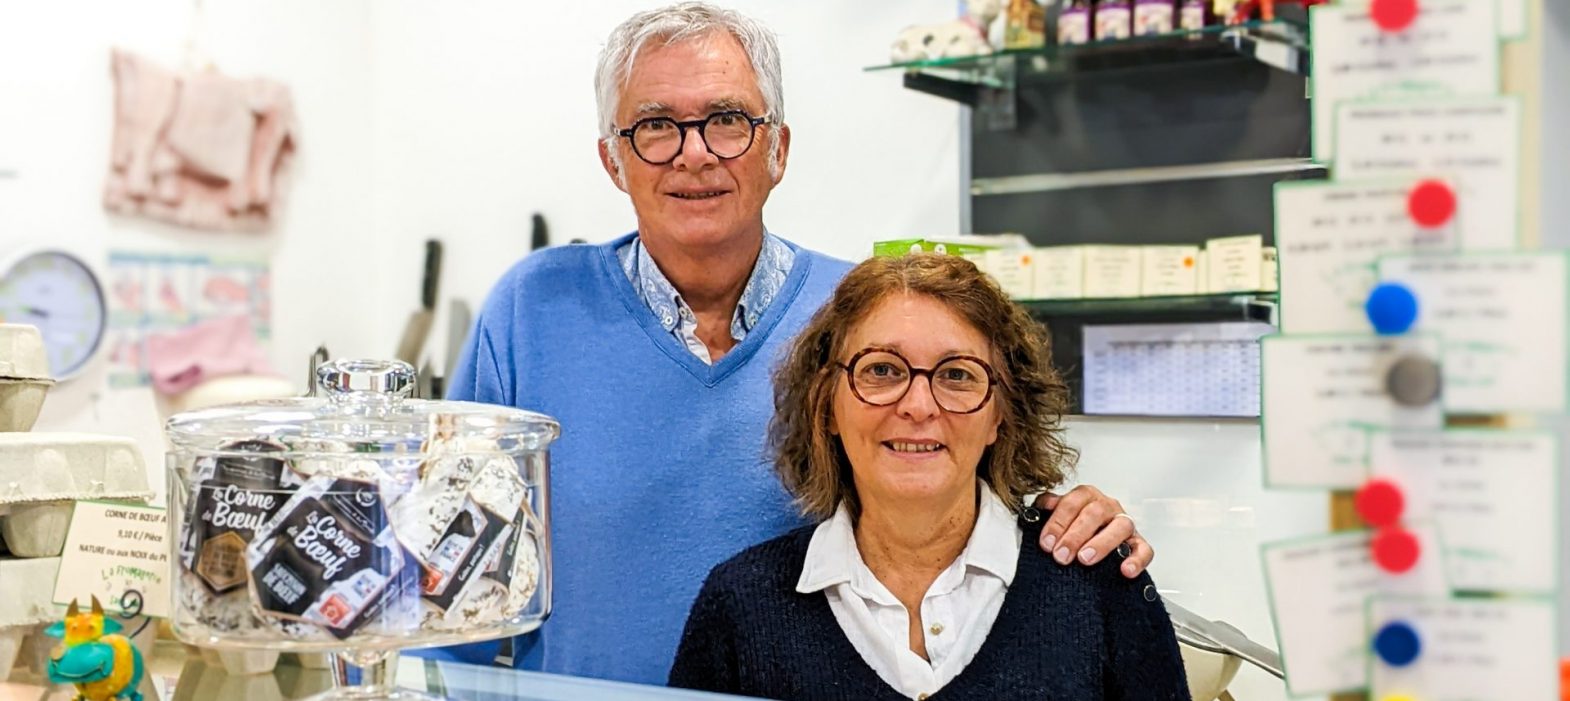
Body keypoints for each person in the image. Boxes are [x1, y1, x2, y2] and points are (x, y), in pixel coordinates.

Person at [442, 2, 1155, 685]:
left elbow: (969, 497)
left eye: (727, 120)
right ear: (612, 160)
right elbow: (454, 576)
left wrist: (1066, 517)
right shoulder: (531, 311)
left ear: (778, 147)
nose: (694, 154)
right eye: (656, 126)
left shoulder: (867, 325)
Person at [669, 254, 1190, 700]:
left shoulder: (1097, 586)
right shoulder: (741, 606)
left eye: (957, 375)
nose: (919, 406)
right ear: (826, 404)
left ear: (999, 415)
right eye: (881, 370)